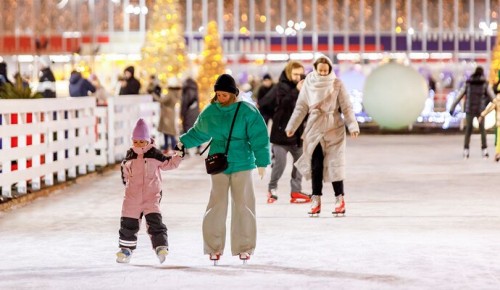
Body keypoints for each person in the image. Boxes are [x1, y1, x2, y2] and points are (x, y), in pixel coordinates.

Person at [177, 74, 270, 263]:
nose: (221, 97)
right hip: (219, 162)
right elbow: (199, 132)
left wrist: (262, 162)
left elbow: (259, 137)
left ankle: (245, 247)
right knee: (216, 205)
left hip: (243, 162)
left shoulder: (247, 111)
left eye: (224, 94)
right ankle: (213, 247)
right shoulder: (211, 111)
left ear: (233, 94)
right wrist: (183, 142)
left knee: (243, 205)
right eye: (218, 94)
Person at [286, 55, 360, 216]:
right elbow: (301, 107)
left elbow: (346, 107)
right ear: (315, 69)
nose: (324, 73)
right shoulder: (309, 84)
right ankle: (316, 199)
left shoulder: (337, 84)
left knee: (335, 165)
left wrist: (352, 125)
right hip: (315, 128)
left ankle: (339, 199)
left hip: (334, 128)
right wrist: (292, 126)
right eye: (321, 71)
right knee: (316, 166)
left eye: (326, 71)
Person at [117, 118, 183, 264]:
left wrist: (178, 155)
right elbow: (125, 172)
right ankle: (125, 249)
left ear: (148, 141)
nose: (138, 144)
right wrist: (128, 185)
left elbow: (169, 164)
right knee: (128, 223)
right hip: (132, 197)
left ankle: (161, 246)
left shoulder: (154, 154)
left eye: (142, 141)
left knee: (155, 222)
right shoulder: (130, 155)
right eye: (136, 141)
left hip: (151, 196)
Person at [259, 61, 311, 204]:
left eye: (300, 74)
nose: (297, 77)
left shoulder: (305, 86)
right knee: (280, 165)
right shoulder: (280, 87)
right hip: (281, 136)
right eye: (295, 74)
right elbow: (281, 104)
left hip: (297, 135)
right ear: (289, 73)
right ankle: (272, 188)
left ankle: (295, 191)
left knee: (301, 163)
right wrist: (296, 90)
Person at [449, 66, 495, 159]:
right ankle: (484, 151)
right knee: (482, 130)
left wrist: (452, 107)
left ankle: (466, 151)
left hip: (469, 109)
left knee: (468, 130)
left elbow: (459, 95)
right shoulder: (485, 84)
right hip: (481, 110)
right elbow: (493, 97)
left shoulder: (468, 83)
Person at [153, 77, 182, 153]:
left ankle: (172, 147)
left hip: (167, 114)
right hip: (171, 113)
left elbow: (162, 100)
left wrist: (154, 95)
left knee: (168, 132)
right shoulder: (176, 93)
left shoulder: (170, 93)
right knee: (168, 132)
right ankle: (168, 147)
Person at [180, 77, 201, 155]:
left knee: (186, 131)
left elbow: (184, 103)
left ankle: (186, 149)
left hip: (187, 114)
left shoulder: (186, 91)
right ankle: (198, 148)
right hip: (195, 113)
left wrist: (182, 114)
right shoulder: (195, 89)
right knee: (196, 131)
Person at [479, 94, 500, 162]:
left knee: (499, 140)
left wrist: (482, 115)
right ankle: (498, 154)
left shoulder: (497, 99)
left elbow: (489, 109)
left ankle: (498, 153)